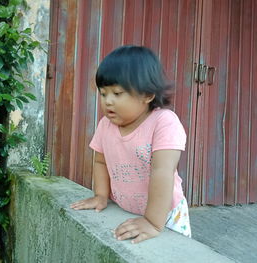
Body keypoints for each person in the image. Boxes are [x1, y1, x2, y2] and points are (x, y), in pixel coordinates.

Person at [70, 45, 191, 244]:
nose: (108, 101)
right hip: (126, 210)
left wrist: (152, 222)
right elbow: (101, 162)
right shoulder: (105, 125)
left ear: (147, 95)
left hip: (166, 216)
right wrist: (100, 195)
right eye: (103, 93)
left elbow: (163, 172)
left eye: (117, 94)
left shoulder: (164, 122)